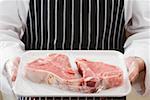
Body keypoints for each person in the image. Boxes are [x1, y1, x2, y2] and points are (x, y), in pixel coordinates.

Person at [0, 0, 149, 100]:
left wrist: (139, 57)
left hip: (108, 93)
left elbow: (145, 31)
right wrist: (10, 59)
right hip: (35, 93)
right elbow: (3, 31)